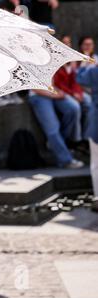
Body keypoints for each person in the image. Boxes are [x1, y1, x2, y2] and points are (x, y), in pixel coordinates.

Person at [28, 89, 84, 168]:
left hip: (52, 91)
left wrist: (58, 92)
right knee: (52, 128)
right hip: (38, 95)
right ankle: (65, 160)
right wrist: (54, 94)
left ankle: (56, 143)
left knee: (73, 108)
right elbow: (35, 88)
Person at [76, 62, 98, 212]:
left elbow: (80, 79)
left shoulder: (94, 69)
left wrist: (84, 66)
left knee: (96, 164)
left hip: (96, 123)